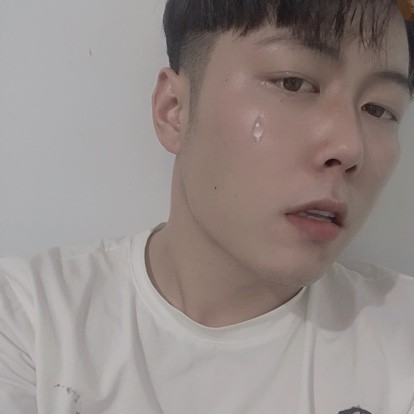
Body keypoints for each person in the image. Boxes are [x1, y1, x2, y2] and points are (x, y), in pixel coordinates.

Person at [1, 1, 414, 413]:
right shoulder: (30, 320)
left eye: (380, 109)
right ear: (174, 111)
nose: (349, 146)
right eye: (293, 83)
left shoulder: (401, 339)